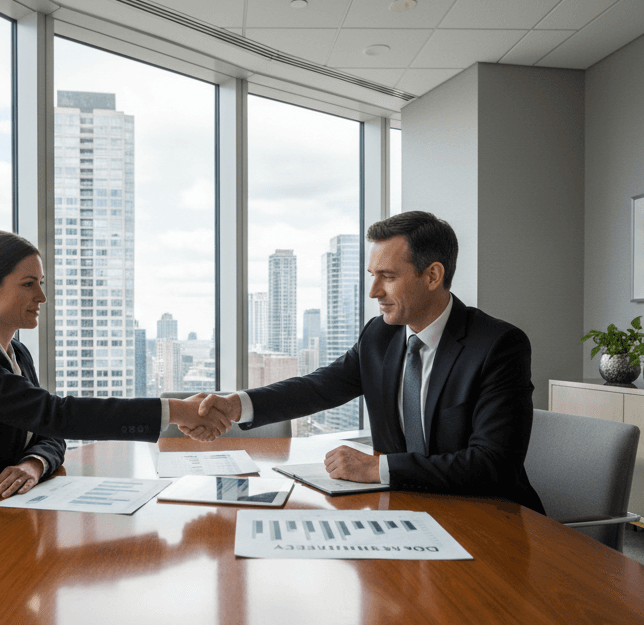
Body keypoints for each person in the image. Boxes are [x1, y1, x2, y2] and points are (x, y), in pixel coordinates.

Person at [198, 211, 545, 515]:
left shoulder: (498, 346)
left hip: (487, 517)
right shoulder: (380, 336)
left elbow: (493, 465)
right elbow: (319, 387)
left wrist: (377, 468)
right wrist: (236, 405)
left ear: (433, 275)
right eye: (372, 275)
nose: (373, 292)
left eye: (388, 277)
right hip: (404, 511)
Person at [0, 231, 229, 532]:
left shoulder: (15, 353)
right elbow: (56, 415)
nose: (42, 298)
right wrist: (176, 411)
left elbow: (48, 432)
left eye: (40, 283)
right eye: (28, 285)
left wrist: (33, 464)